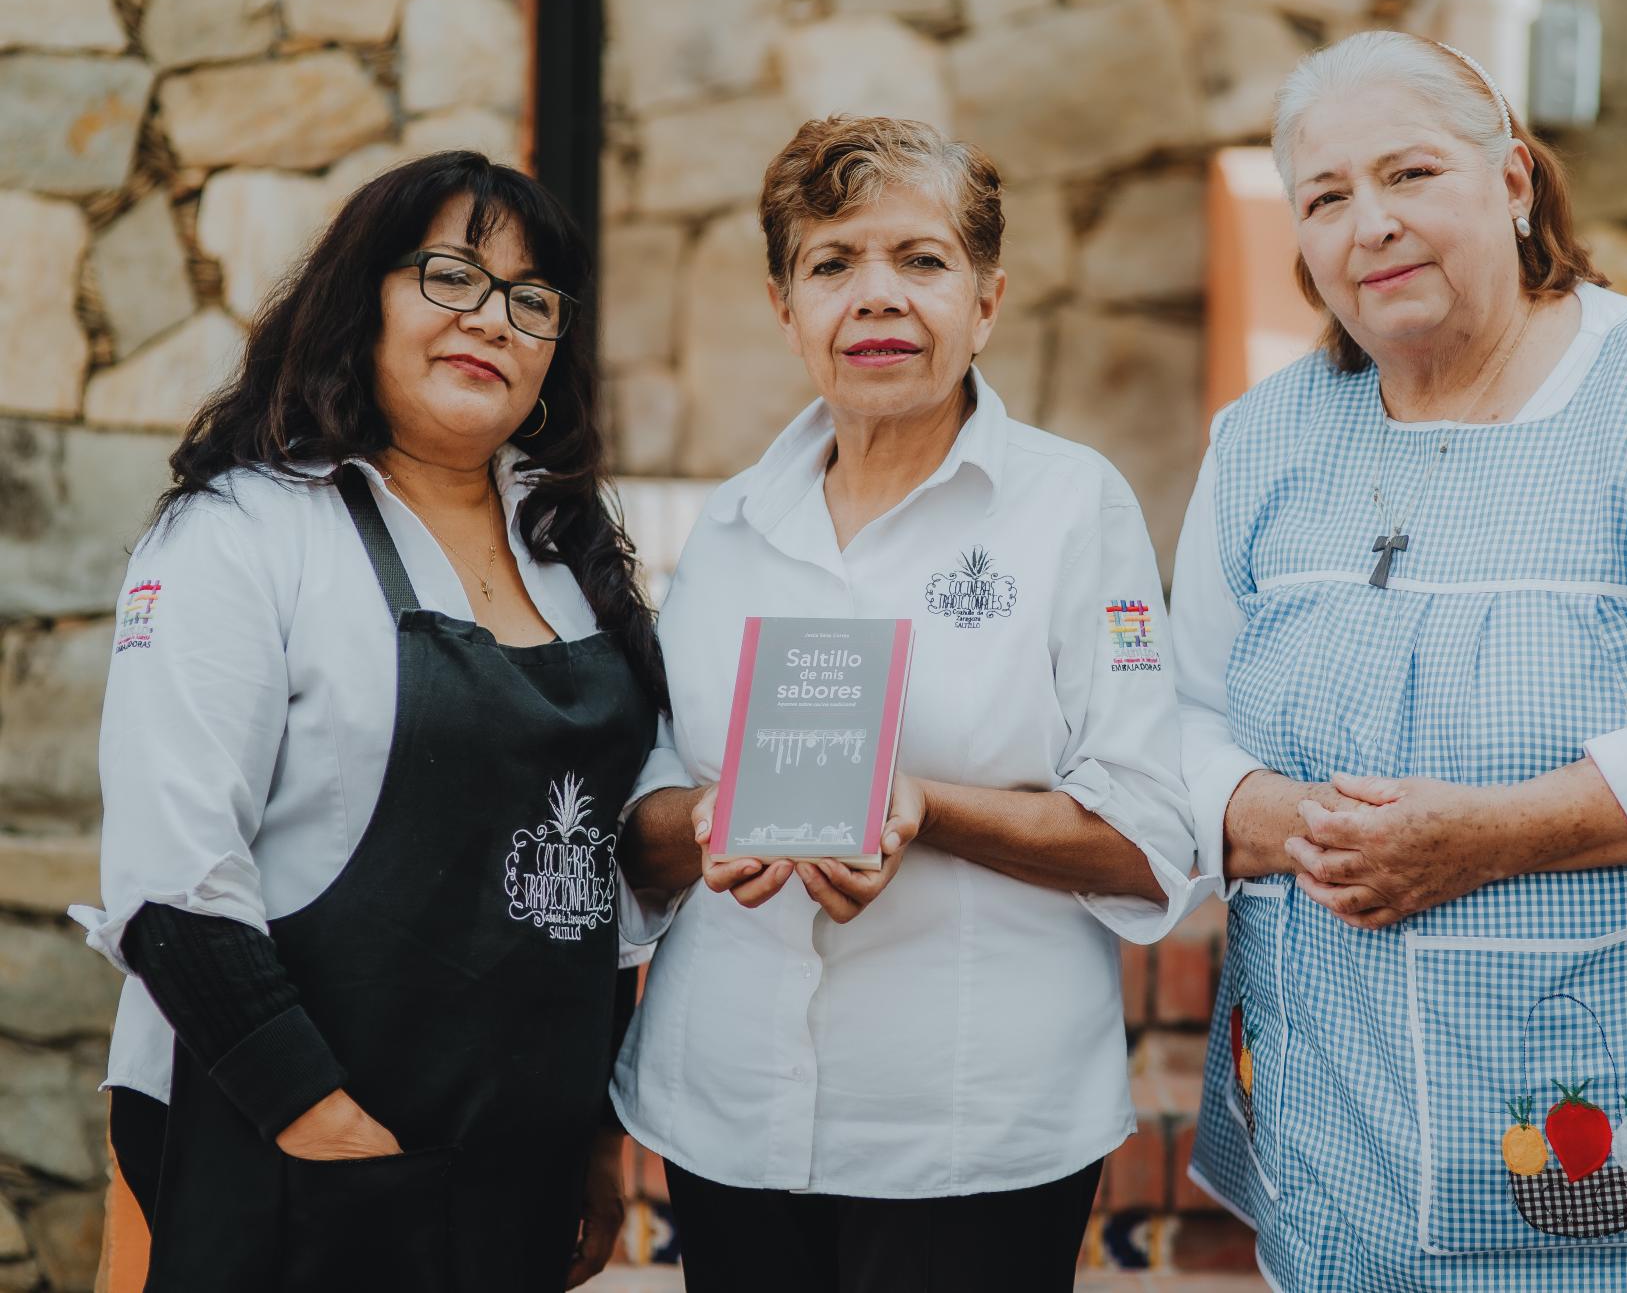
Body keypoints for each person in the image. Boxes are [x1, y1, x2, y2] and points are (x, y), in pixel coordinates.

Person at [1173, 33, 1627, 1290]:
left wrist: (1491, 833)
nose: (1369, 224)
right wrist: (1278, 820)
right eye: (1326, 198)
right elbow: (1175, 718)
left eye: (1409, 174)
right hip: (1345, 1151)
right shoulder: (1260, 442)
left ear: (1511, 182)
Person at [613, 116, 1202, 1292]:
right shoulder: (726, 530)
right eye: (832, 265)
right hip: (728, 1113)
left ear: (985, 301)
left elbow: (1150, 841)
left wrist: (922, 805)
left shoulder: (1071, 510)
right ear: (785, 309)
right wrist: (711, 819)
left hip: (968, 1130)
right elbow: (637, 819)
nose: (875, 297)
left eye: (919, 261)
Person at [70, 152, 664, 1292]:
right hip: (292, 1158)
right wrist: (329, 1132)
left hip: (510, 1176)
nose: (490, 318)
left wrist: (589, 1126)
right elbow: (171, 873)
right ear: (361, 302)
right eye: (450, 275)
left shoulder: (573, 561)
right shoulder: (243, 533)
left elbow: (597, 882)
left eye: (529, 298)